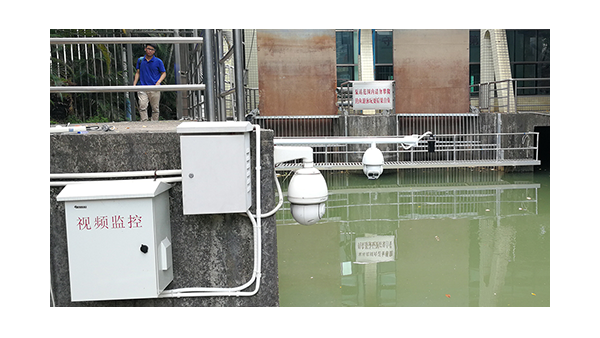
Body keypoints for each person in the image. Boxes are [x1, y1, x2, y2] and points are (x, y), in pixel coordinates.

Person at [133, 43, 166, 121]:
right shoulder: (140, 60)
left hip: (154, 87)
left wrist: (158, 82)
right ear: (145, 49)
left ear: (154, 51)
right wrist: (134, 84)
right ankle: (144, 122)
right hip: (142, 86)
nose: (149, 51)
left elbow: (163, 73)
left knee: (155, 108)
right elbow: (138, 72)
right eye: (148, 49)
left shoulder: (158, 61)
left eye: (152, 49)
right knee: (142, 106)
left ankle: (154, 124)